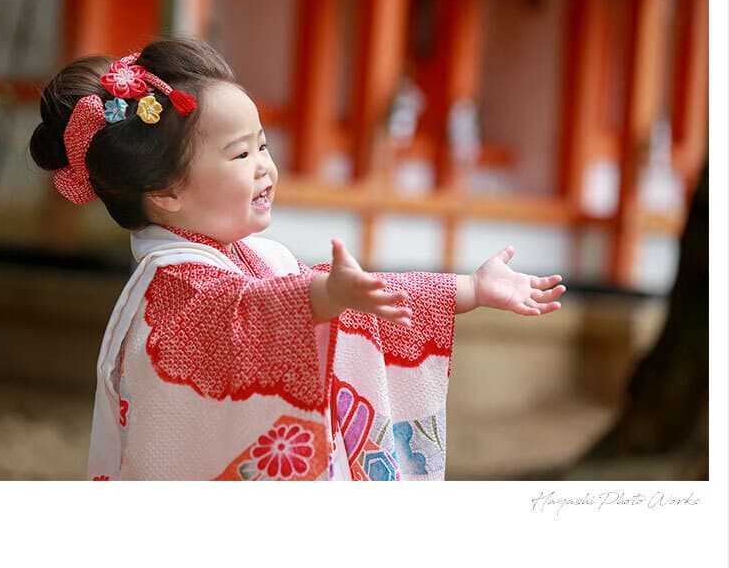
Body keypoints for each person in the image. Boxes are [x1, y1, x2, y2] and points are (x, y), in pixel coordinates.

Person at [30, 38, 566, 481]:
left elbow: (326, 294)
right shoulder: (175, 288)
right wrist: (327, 297)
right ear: (167, 190)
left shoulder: (254, 258)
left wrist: (470, 288)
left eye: (263, 146)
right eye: (240, 154)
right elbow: (245, 313)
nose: (265, 167)